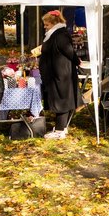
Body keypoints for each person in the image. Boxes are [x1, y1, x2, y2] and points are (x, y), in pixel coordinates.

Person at [38, 9, 82, 138]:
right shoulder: (54, 34)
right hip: (57, 72)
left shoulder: (59, 35)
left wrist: (76, 60)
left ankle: (59, 131)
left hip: (61, 73)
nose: (45, 27)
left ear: (54, 22)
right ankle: (62, 127)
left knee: (61, 100)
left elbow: (68, 51)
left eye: (47, 24)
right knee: (62, 99)